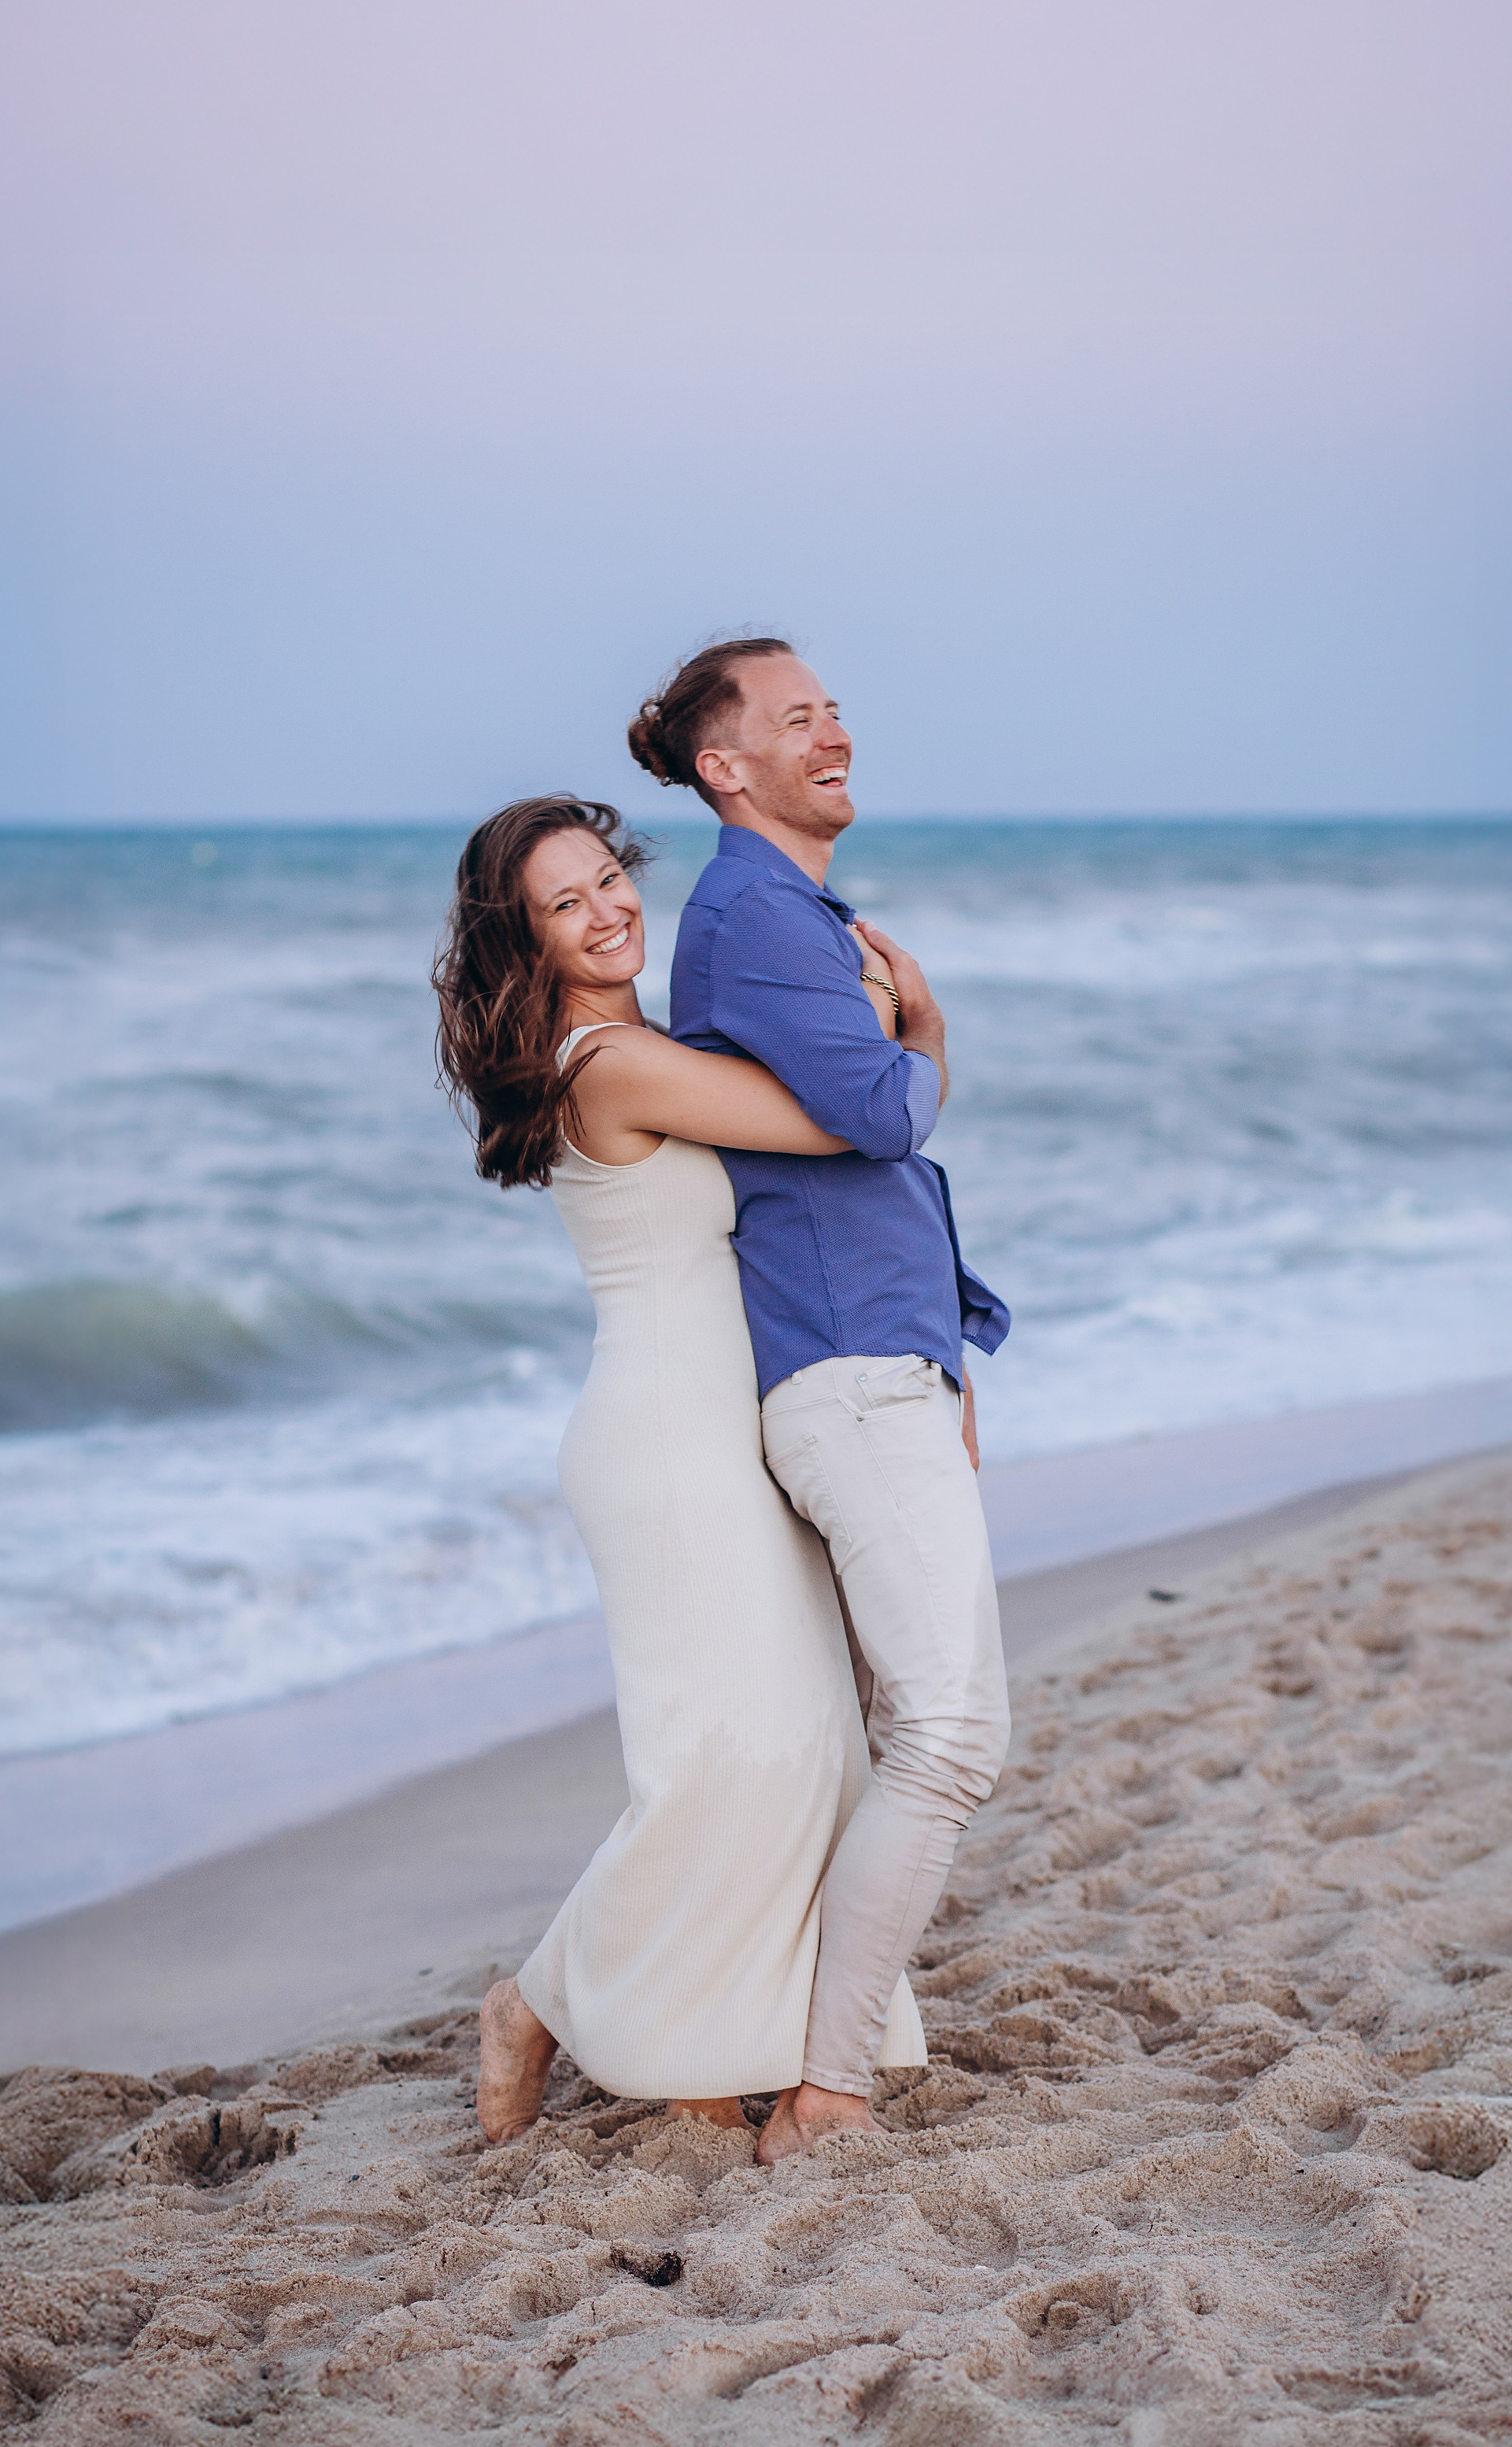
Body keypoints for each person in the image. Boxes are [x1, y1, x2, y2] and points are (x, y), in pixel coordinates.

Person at [433, 794, 927, 2143]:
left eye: (610, 881)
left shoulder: (638, 1039)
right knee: (723, 1765)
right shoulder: (606, 1061)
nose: (609, 911)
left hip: (719, 1431)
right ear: (521, 941)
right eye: (567, 904)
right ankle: (531, 2005)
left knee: (795, 1744)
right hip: (662, 1446)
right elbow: (838, 1121)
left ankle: (707, 2042)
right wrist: (903, 1028)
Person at [627, 638, 1012, 2164]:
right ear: (727, 766)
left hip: (878, 1361)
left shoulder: (784, 907)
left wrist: (945, 1354)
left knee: (898, 1733)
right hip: (848, 1377)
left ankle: (766, 2043)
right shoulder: (757, 913)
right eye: (797, 717)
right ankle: (827, 2086)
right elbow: (870, 1117)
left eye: (833, 709)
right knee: (950, 1735)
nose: (832, 731)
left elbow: (870, 1166)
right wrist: (927, 1039)